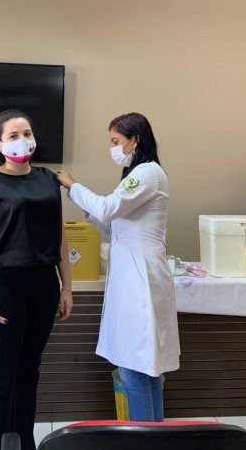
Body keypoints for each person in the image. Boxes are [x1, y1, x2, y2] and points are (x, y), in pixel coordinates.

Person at [0, 109, 73, 450]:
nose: (22, 140)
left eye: (27, 133)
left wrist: (67, 287)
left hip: (43, 286)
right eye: (13, 136)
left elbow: (59, 235)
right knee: (0, 378)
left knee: (28, 374)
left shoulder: (47, 180)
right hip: (2, 289)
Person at [57, 112, 179, 422]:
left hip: (140, 278)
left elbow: (108, 207)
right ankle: (154, 436)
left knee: (133, 368)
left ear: (135, 140)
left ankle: (144, 441)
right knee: (145, 368)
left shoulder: (147, 173)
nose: (113, 148)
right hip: (134, 273)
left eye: (116, 141)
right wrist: (86, 207)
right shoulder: (138, 175)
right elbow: (115, 226)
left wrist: (73, 186)